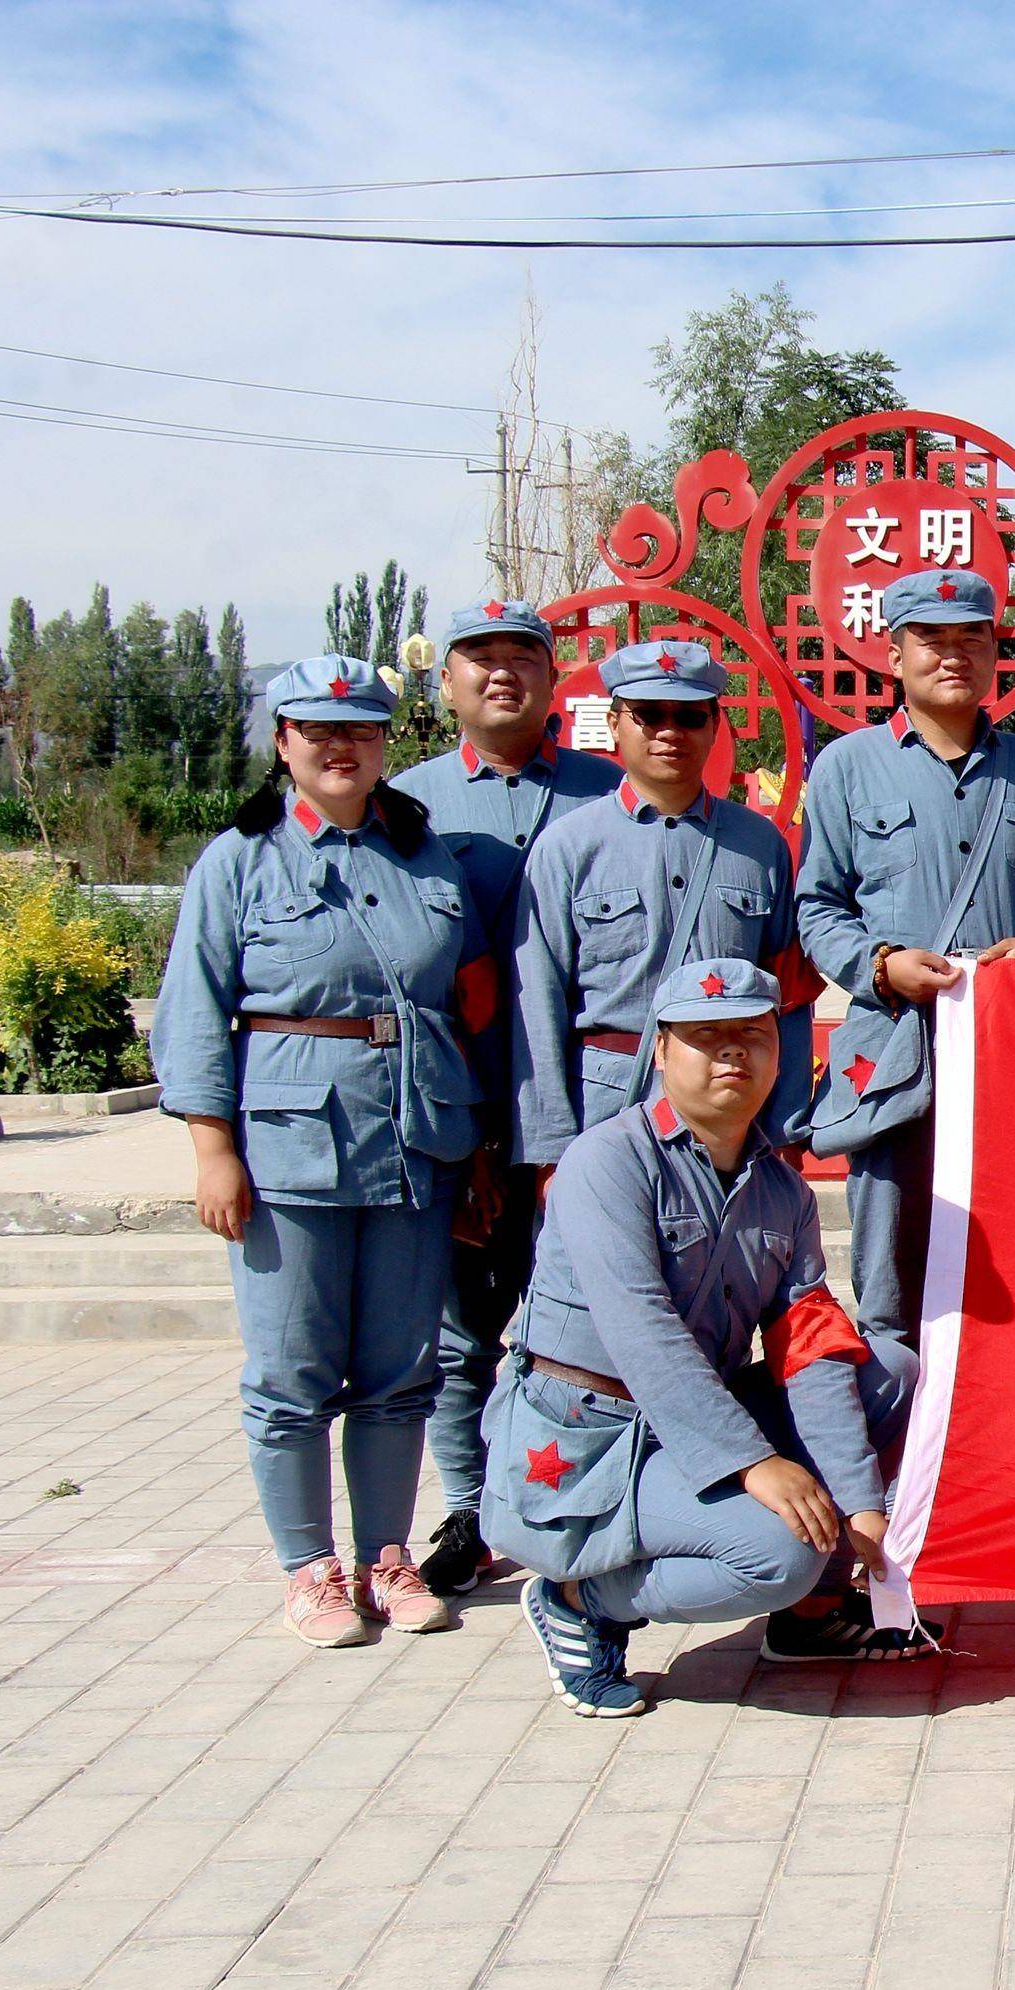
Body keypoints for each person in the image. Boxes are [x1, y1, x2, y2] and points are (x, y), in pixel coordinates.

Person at [153, 656, 496, 1647]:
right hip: (292, 1147)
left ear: (388, 743)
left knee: (400, 1366)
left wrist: (470, 1149)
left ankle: (385, 1553)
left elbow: (459, 1006)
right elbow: (193, 1014)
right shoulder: (241, 860)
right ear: (284, 744)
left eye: (362, 730)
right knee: (293, 1371)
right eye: (318, 730)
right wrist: (212, 1148)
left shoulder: (424, 855)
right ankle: (311, 1566)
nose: (341, 746)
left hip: (416, 1139)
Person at [484, 959, 924, 1718]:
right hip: (591, 1446)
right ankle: (579, 1599)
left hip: (689, 1423)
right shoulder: (607, 1163)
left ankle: (809, 1618)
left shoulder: (780, 1189)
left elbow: (810, 1343)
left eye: (751, 1036)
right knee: (779, 1551)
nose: (731, 1054)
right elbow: (644, 1336)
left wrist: (861, 1500)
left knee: (886, 1368)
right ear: (661, 1051)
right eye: (706, 1038)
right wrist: (756, 1465)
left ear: (779, 1053)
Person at [795, 567, 1015, 1359]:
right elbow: (816, 909)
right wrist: (880, 964)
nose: (953, 655)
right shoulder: (847, 768)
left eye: (973, 639)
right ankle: (898, 1465)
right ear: (894, 655)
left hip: (1005, 1066)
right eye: (931, 639)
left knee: (1014, 1277)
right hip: (891, 1062)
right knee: (890, 1282)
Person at [388, 597, 618, 1598]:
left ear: (553, 677)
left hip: (598, 1102)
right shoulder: (403, 807)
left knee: (606, 1314)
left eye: (522, 657)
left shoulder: (613, 791)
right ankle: (470, 1507)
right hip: (465, 1104)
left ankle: (606, 1492)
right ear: (446, 683)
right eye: (477, 659)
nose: (500, 674)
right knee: (464, 1324)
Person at [508, 639, 817, 1173]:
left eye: (690, 716)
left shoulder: (759, 843)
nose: (670, 731)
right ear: (614, 723)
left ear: (715, 726)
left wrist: (785, 1126)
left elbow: (787, 994)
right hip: (606, 1102)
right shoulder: (569, 847)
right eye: (648, 715)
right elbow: (536, 1002)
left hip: (730, 1111)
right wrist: (551, 1152)